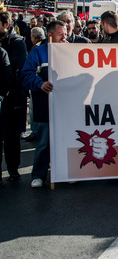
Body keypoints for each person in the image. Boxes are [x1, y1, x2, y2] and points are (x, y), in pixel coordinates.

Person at [21, 20, 68, 188]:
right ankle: (39, 175)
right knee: (43, 143)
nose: (65, 37)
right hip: (44, 107)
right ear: (50, 35)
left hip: (66, 108)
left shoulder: (70, 51)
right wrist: (39, 83)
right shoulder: (37, 53)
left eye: (66, 33)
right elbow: (26, 75)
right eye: (61, 34)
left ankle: (65, 173)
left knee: (65, 141)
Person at [0, 11, 28, 182]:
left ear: (6, 24)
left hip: (13, 97)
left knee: (11, 136)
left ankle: (13, 169)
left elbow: (17, 69)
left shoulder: (17, 43)